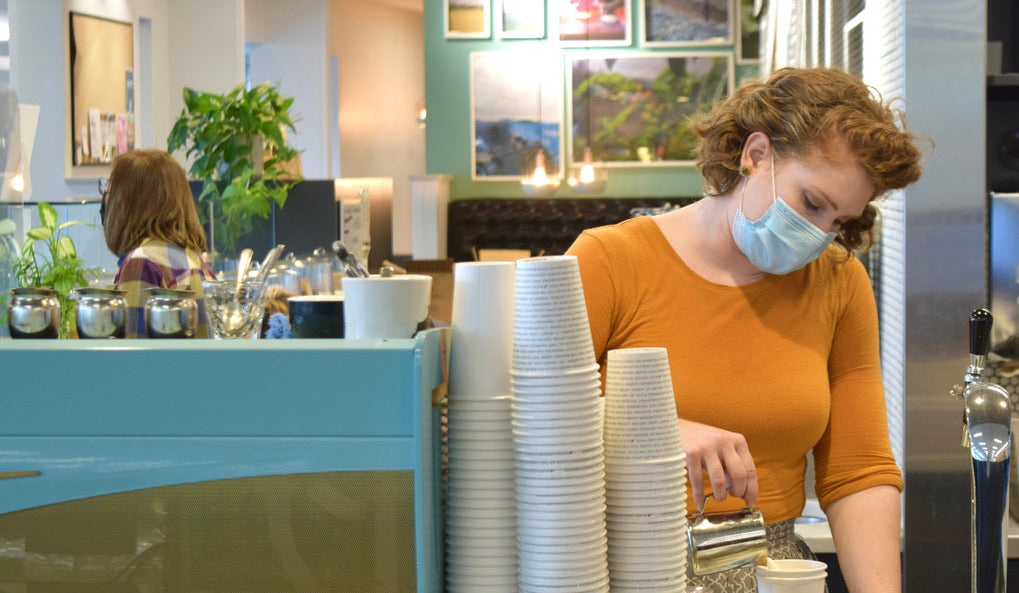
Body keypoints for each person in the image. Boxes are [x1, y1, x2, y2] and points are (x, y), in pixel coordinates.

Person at [566, 67, 925, 593]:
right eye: (812, 203)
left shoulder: (839, 283)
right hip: (620, 563)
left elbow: (858, 471)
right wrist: (654, 432)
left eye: (839, 222)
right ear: (756, 155)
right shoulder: (609, 261)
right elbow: (527, 417)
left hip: (771, 569)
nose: (819, 234)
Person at [102, 149, 215, 338]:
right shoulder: (193, 258)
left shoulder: (141, 263)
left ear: (127, 202)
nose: (106, 198)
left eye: (109, 188)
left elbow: (131, 357)